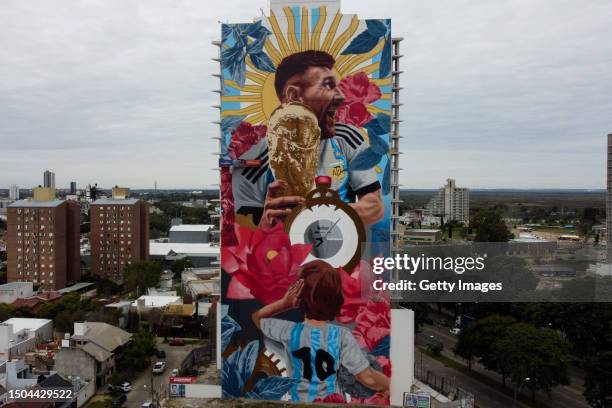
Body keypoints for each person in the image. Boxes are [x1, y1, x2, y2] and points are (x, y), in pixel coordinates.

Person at [232, 50, 384, 228]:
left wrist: (321, 213)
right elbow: (243, 232)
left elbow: (375, 206)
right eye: (328, 85)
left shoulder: (347, 138)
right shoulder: (255, 158)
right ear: (294, 96)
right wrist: (265, 225)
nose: (340, 96)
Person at [252, 260, 390, 402]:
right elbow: (367, 377)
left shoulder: (288, 331)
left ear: (300, 297)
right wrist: (389, 385)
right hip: (332, 403)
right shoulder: (342, 336)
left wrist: (284, 303)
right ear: (336, 299)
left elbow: (256, 318)